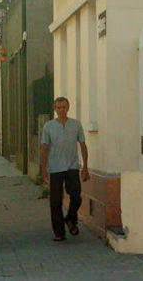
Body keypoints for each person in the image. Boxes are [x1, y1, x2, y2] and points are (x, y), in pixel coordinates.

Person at [40, 96, 90, 242]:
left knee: (76, 196)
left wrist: (85, 166)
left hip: (72, 166)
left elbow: (82, 145)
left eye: (64, 107)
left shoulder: (76, 124)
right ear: (55, 109)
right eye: (58, 107)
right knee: (55, 201)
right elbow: (44, 147)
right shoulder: (48, 126)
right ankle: (59, 232)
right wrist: (43, 168)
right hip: (55, 168)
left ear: (68, 108)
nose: (61, 110)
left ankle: (69, 219)